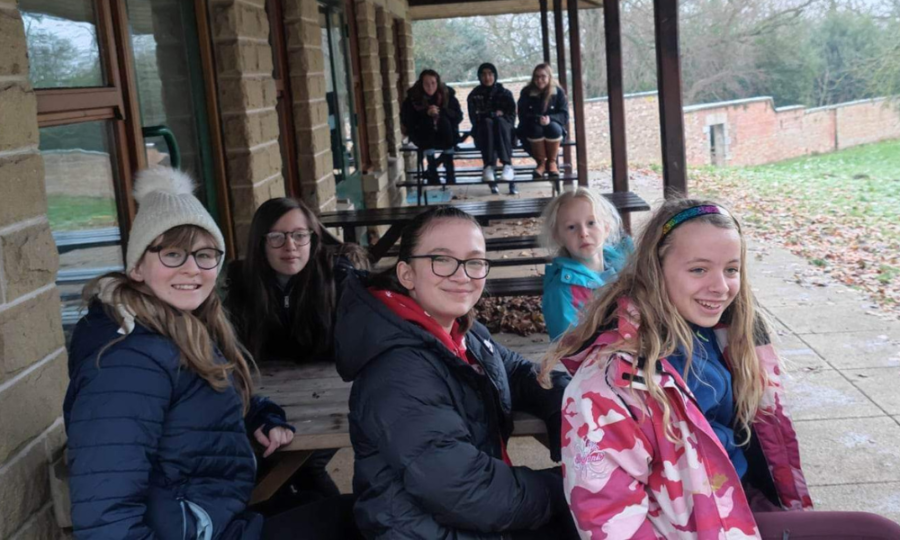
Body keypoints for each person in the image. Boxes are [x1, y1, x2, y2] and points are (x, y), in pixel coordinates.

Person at [539, 199, 900, 539]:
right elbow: (608, 519)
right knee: (877, 533)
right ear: (654, 269)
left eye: (731, 269)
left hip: (741, 497)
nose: (721, 287)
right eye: (699, 269)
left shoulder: (725, 332)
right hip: (693, 524)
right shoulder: (607, 386)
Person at [63, 167, 360, 539]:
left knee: (368, 510)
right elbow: (105, 517)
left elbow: (207, 395)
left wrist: (260, 414)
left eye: (205, 255)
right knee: (366, 519)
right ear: (137, 266)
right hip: (198, 527)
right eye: (173, 254)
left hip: (217, 514)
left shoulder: (182, 327)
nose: (192, 269)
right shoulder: (126, 359)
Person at [334, 206, 578, 539]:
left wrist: (570, 414)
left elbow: (520, 373)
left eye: (475, 261)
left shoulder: (463, 333)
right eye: (442, 259)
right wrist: (572, 485)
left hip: (473, 520)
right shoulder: (396, 367)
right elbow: (468, 492)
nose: (462, 274)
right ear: (407, 274)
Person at [223, 197, 367, 509]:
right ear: (260, 242)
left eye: (299, 235)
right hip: (266, 400)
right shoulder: (239, 284)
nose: (290, 246)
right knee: (265, 466)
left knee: (304, 466)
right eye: (277, 237)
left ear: (313, 238)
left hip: (331, 401)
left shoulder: (339, 277)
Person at [540, 187, 633, 341]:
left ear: (606, 227)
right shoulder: (561, 291)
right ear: (558, 236)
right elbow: (567, 348)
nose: (583, 233)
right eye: (571, 227)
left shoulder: (628, 267)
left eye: (591, 223)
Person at [401, 69, 463, 185]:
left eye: (433, 83)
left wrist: (442, 112)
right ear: (421, 84)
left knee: (444, 121)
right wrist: (425, 113)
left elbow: (458, 117)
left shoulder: (447, 94)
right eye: (426, 83)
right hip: (423, 137)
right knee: (427, 121)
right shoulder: (413, 98)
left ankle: (449, 169)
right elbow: (407, 121)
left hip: (446, 136)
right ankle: (432, 168)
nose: (430, 87)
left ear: (437, 83)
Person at [467, 62, 518, 195]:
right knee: (488, 124)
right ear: (479, 77)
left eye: (490, 74)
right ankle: (489, 167)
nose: (487, 77)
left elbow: (511, 117)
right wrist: (493, 115)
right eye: (483, 74)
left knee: (500, 124)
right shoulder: (474, 95)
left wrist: (495, 117)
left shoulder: (505, 93)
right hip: (484, 134)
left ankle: (507, 166)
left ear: (495, 75)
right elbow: (475, 118)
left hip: (503, 133)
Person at [517, 63, 568, 179]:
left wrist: (550, 119)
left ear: (549, 77)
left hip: (553, 129)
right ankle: (541, 163)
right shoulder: (526, 92)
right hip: (532, 128)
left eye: (543, 77)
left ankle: (552, 162)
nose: (539, 80)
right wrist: (537, 119)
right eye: (536, 77)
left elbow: (564, 115)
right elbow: (522, 114)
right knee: (535, 128)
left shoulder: (558, 92)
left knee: (553, 128)